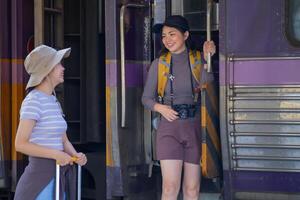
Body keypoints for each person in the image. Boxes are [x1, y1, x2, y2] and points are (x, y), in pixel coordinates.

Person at [142, 15, 216, 200]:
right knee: (169, 188)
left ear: (185, 35)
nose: (167, 40)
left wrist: (209, 60)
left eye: (172, 34)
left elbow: (209, 90)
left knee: (192, 189)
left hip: (195, 128)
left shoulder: (199, 60)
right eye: (164, 36)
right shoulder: (159, 64)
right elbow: (146, 99)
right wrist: (160, 108)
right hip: (169, 129)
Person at [14, 45, 87, 200]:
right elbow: (20, 144)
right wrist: (56, 154)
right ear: (46, 71)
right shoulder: (33, 101)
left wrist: (75, 155)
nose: (63, 68)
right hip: (39, 182)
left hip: (58, 177)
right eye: (58, 64)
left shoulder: (53, 101)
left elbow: (63, 140)